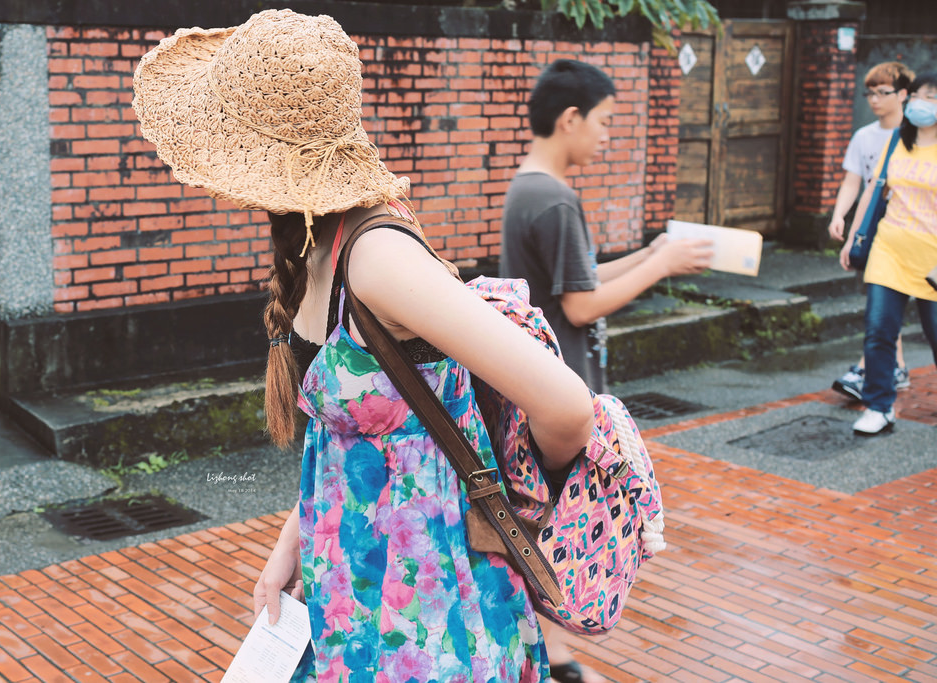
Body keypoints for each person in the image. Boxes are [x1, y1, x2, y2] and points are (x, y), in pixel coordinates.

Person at [133, 9, 595, 681]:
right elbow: (351, 431)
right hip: (352, 582)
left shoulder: (377, 255)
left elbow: (568, 407)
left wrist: (526, 494)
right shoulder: (321, 239)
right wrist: (289, 545)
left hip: (428, 608)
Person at [499, 59, 712, 683]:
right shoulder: (556, 201)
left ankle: (551, 654)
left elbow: (578, 281)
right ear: (571, 119)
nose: (607, 136)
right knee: (566, 524)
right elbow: (582, 304)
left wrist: (651, 252)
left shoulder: (527, 186)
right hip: (563, 391)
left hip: (540, 384)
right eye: (605, 122)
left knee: (537, 518)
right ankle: (555, 657)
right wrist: (663, 266)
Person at [838, 71, 937, 435]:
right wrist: (853, 237)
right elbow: (872, 190)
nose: (925, 104)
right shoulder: (897, 141)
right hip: (890, 250)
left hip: (933, 261)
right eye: (922, 96)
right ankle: (879, 406)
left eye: (934, 97)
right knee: (878, 331)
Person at [828, 62, 916, 401]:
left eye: (883, 92)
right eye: (870, 93)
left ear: (903, 95)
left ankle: (873, 368)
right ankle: (892, 367)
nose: (875, 100)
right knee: (883, 301)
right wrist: (841, 218)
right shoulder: (864, 136)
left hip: (909, 231)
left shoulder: (917, 138)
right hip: (872, 229)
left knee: (889, 303)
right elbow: (855, 181)